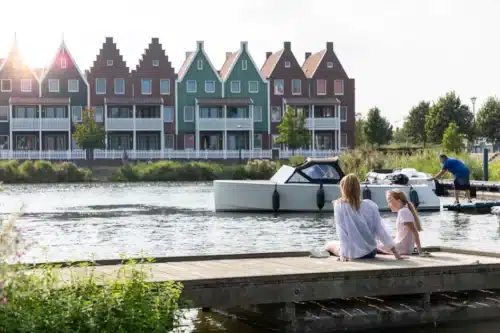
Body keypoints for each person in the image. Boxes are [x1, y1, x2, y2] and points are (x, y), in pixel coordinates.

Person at [326, 173, 404, 261]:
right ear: (358, 188)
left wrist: (343, 255)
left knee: (329, 244)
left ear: (343, 189)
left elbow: (342, 234)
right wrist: (395, 253)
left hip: (353, 254)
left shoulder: (339, 206)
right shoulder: (371, 205)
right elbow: (381, 231)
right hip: (371, 252)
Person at [377, 190, 424, 256]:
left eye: (390, 201)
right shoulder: (404, 211)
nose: (388, 204)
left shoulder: (403, 212)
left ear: (398, 201)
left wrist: (420, 252)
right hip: (404, 247)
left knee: (372, 246)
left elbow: (414, 231)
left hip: (402, 248)